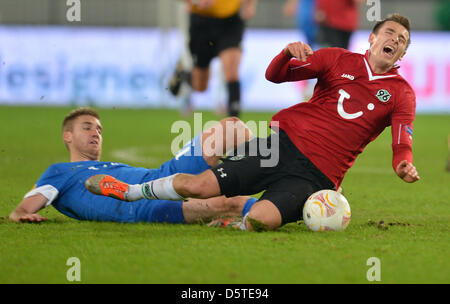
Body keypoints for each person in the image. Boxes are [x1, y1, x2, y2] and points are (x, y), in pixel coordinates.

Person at [88, 14, 420, 232]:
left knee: (260, 221)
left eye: (402, 39)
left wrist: (403, 165)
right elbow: (275, 76)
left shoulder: (401, 93)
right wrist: (285, 54)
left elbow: (401, 144)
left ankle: (231, 222)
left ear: (402, 54)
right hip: (281, 146)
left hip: (319, 177)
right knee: (199, 187)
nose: (396, 40)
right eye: (390, 33)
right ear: (373, 39)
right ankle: (129, 192)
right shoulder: (336, 58)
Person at [8, 107, 257, 224]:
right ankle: (281, 188)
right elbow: (23, 209)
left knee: (233, 133)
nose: (96, 133)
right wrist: (22, 214)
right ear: (67, 136)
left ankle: (285, 197)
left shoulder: (107, 164)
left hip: (161, 182)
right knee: (231, 198)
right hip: (147, 206)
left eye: (99, 129)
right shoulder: (60, 172)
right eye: (87, 127)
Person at [168, 0, 258, 117]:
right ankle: (183, 75)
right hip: (201, 24)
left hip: (230, 22)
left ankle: (235, 122)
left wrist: (249, 5)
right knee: (200, 86)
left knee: (232, 72)